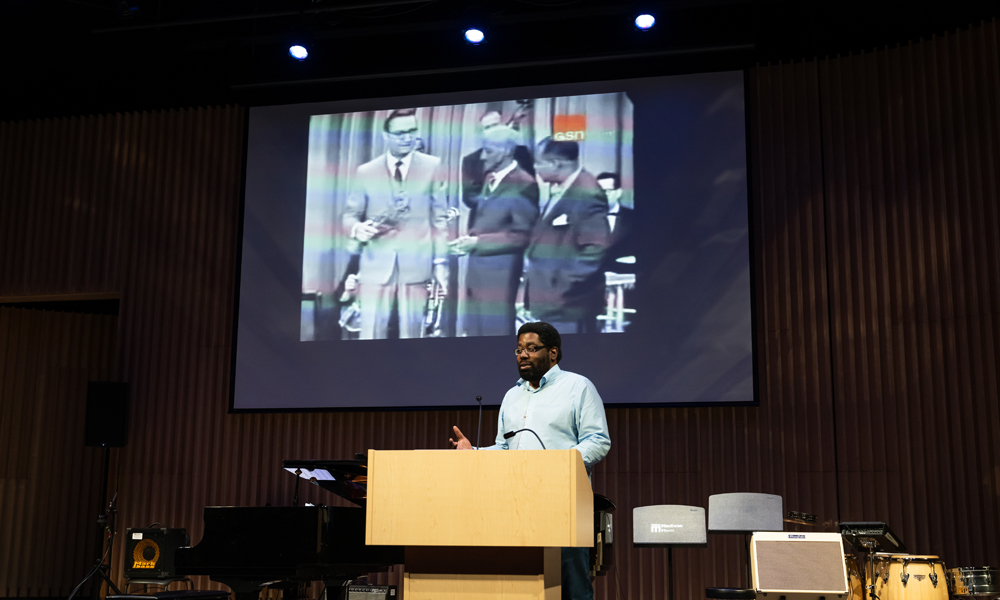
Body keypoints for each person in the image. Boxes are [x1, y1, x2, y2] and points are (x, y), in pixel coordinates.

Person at [449, 321, 611, 600]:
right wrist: (473, 453)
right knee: (522, 586)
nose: (522, 355)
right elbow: (504, 448)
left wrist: (558, 464)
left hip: (564, 504)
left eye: (531, 349)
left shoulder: (578, 387)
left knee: (572, 587)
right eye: (519, 349)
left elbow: (598, 441)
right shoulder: (512, 396)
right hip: (515, 505)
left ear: (553, 353)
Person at [343, 108, 451, 339]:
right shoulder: (366, 172)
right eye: (400, 133)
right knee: (370, 337)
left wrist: (441, 264)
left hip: (417, 266)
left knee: (413, 337)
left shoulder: (432, 166)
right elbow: (350, 215)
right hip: (375, 267)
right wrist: (356, 228)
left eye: (412, 131)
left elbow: (439, 219)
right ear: (386, 136)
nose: (407, 137)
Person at [449, 125, 539, 336]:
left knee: (494, 333)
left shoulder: (523, 184)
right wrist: (468, 242)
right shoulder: (491, 178)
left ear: (507, 151)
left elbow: (522, 235)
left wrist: (478, 243)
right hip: (479, 269)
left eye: (488, 150)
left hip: (500, 273)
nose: (482, 156)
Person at [523, 137, 610, 334]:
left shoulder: (587, 193)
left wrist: (563, 285)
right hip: (552, 303)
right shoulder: (563, 189)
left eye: (538, 162)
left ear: (555, 163)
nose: (535, 167)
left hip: (568, 305)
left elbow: (595, 247)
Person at [461, 111, 535, 207]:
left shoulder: (521, 153)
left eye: (495, 126)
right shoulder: (470, 160)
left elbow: (530, 191)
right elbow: (469, 197)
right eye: (487, 128)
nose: (492, 131)